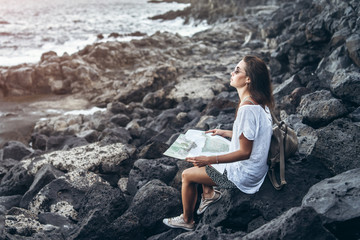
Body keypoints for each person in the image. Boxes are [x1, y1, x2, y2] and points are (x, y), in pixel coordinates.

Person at [163, 55, 274, 231]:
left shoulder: (247, 109)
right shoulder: (260, 103)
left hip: (244, 175)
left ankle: (187, 220)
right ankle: (208, 194)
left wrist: (210, 160)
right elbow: (255, 136)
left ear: (248, 79)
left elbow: (245, 152)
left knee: (187, 175)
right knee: (209, 145)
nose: (232, 72)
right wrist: (226, 133)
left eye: (237, 70)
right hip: (255, 168)